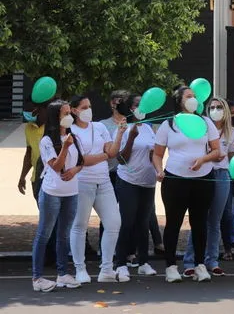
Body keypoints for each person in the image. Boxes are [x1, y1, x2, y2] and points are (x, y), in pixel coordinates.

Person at [152, 86, 221, 283]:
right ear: (179, 100)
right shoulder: (169, 124)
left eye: (194, 96)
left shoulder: (206, 122)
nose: (193, 99)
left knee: (199, 223)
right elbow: (157, 154)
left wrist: (203, 159)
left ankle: (199, 265)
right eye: (189, 96)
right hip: (175, 179)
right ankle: (171, 267)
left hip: (203, 179)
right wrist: (159, 170)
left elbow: (216, 151)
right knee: (173, 223)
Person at [69, 95, 126, 284]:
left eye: (90, 106)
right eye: (84, 107)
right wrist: (103, 155)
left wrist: (119, 134)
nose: (88, 110)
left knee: (113, 223)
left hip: (103, 183)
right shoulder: (71, 131)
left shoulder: (100, 127)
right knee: (79, 225)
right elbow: (82, 160)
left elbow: (112, 153)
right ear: (74, 110)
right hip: (82, 183)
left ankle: (107, 269)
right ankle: (80, 269)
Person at [31, 100, 84, 292]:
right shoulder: (46, 141)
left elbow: (81, 162)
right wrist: (65, 147)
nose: (69, 116)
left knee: (64, 234)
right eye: (65, 114)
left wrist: (75, 171)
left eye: (70, 112)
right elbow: (55, 166)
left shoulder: (73, 136)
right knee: (44, 234)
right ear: (56, 118)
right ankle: (37, 278)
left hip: (71, 193)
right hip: (52, 193)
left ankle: (63, 274)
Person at [183, 98, 234, 277]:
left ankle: (212, 260)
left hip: (222, 175)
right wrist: (211, 156)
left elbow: (232, 158)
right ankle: (190, 261)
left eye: (219, 107)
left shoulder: (232, 132)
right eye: (212, 107)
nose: (215, 110)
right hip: (203, 175)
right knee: (199, 219)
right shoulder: (203, 129)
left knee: (215, 220)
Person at [114, 94, 158, 277]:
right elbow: (121, 158)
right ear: (131, 108)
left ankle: (143, 262)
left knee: (143, 223)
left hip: (147, 182)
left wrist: (156, 165)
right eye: (139, 105)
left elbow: (152, 155)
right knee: (127, 222)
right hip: (128, 181)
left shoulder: (149, 129)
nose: (143, 108)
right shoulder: (124, 128)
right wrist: (131, 137)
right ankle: (121, 263)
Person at [19, 104, 59, 267]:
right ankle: (48, 256)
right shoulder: (29, 129)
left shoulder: (53, 128)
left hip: (55, 177)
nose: (31, 113)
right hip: (38, 179)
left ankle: (54, 255)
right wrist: (22, 176)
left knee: (56, 219)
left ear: (43, 110)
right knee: (46, 218)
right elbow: (29, 153)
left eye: (34, 110)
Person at [222, 100, 234, 260]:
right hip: (225, 176)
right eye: (232, 113)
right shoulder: (217, 131)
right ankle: (229, 245)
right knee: (228, 212)